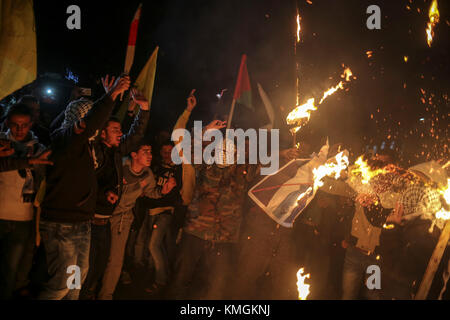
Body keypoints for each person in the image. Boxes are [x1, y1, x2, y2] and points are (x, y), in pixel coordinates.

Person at [37, 74, 130, 300]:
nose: (98, 127)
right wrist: (109, 98)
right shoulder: (66, 139)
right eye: (89, 118)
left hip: (81, 223)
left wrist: (110, 100)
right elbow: (90, 124)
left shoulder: (89, 147)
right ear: (78, 119)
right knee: (61, 284)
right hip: (63, 224)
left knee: (76, 283)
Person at [80, 82, 151, 300]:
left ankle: (89, 294)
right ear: (102, 134)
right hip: (87, 223)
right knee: (83, 270)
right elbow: (86, 183)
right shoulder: (94, 154)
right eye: (115, 130)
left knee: (99, 267)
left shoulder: (117, 151)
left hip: (104, 222)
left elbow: (136, 135)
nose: (121, 133)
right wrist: (111, 95)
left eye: (121, 130)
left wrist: (144, 110)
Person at [96, 143, 176, 300]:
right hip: (102, 216)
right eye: (145, 151)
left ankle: (105, 295)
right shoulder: (120, 166)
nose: (149, 155)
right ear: (134, 155)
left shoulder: (147, 174)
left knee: (115, 261)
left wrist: (163, 191)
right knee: (97, 256)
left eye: (151, 151)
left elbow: (151, 192)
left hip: (123, 220)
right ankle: (87, 290)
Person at [0, 103, 48, 299]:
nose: (19, 130)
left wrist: (36, 167)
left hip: (23, 218)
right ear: (7, 123)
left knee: (10, 272)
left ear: (31, 124)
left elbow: (44, 183)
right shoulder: (1, 145)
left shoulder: (39, 149)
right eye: (15, 125)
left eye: (24, 125)